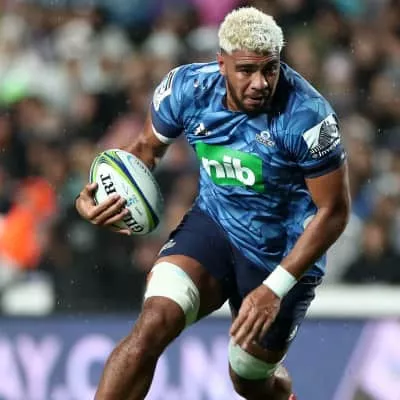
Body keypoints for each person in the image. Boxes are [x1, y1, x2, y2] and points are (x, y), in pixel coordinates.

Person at [75, 7, 350, 400]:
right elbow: (144, 151)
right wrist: (99, 195)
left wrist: (275, 288)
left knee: (249, 381)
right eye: (246, 70)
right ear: (222, 64)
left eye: (270, 69)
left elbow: (334, 212)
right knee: (153, 324)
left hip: (281, 253)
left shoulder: (309, 117)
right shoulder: (186, 89)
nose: (260, 83)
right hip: (214, 227)